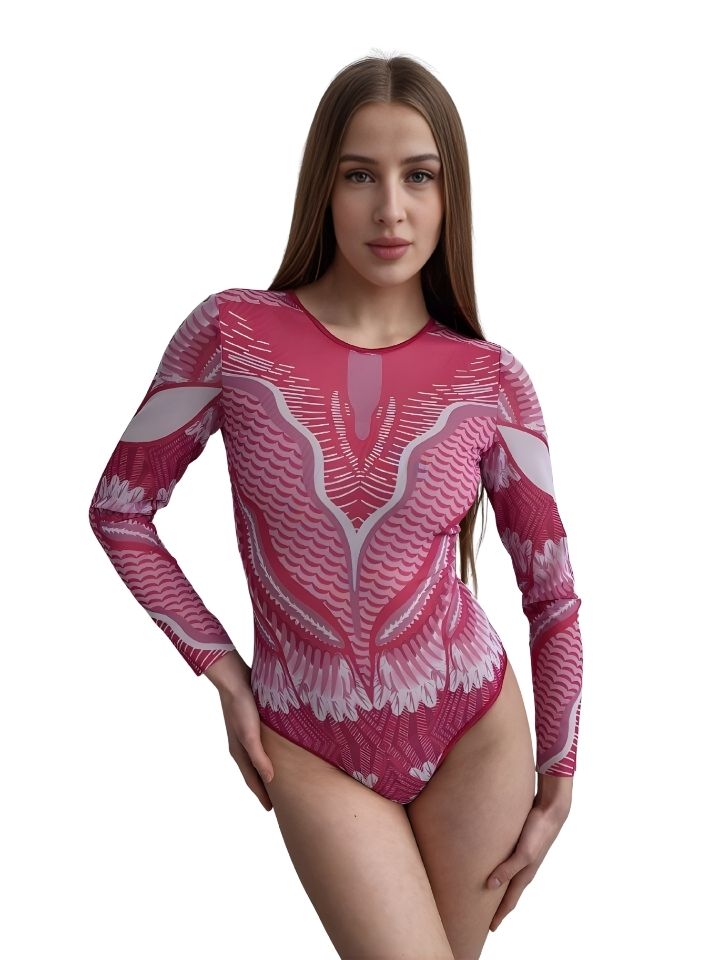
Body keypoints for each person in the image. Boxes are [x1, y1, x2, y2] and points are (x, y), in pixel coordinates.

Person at [88, 53, 583, 960]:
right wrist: (223, 673)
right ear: (323, 186)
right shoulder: (232, 333)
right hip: (308, 741)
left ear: (451, 195)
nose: (390, 208)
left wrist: (560, 776)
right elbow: (120, 510)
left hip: (476, 732)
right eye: (360, 175)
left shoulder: (493, 381)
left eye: (419, 176)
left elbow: (551, 595)